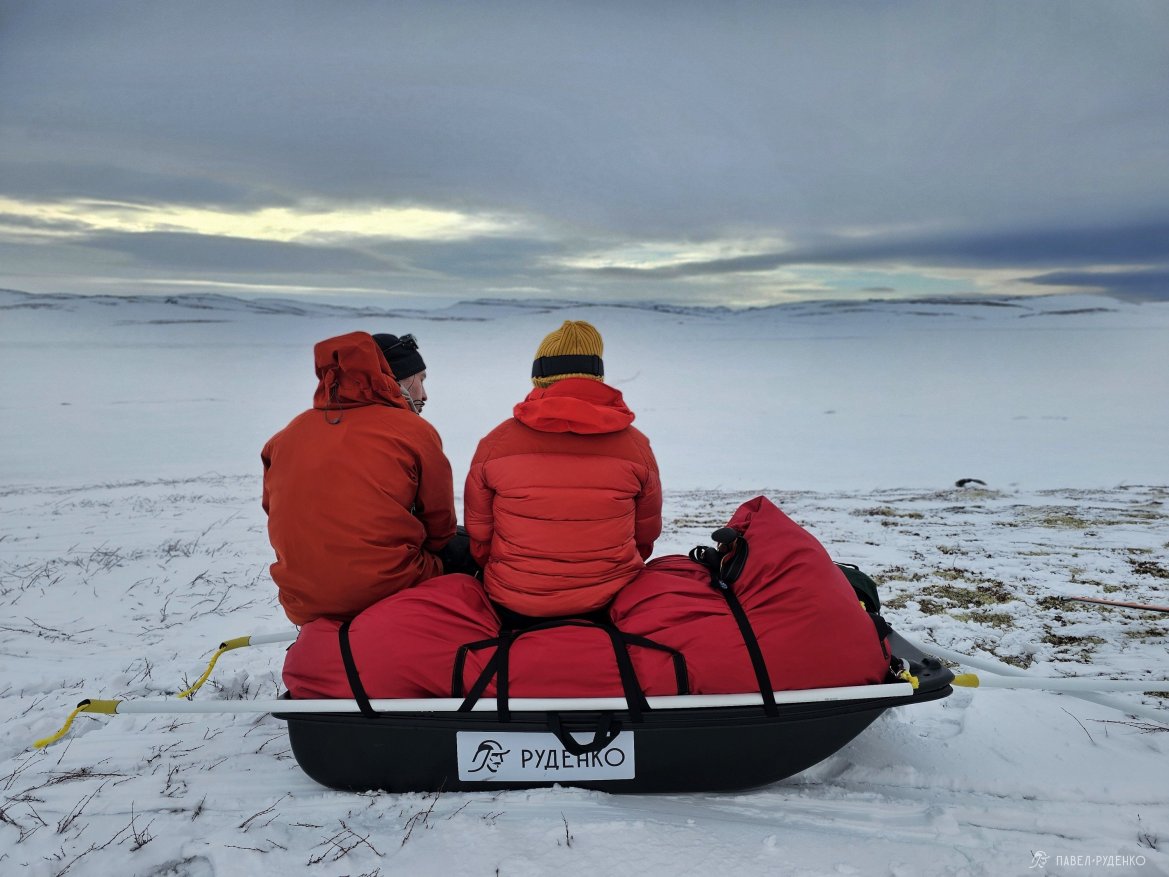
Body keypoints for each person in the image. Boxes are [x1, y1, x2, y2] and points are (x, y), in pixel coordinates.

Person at [464, 320, 662, 620]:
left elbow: (480, 538)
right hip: (610, 602)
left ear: (539, 378)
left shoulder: (496, 443)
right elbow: (645, 536)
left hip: (514, 602)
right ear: (598, 377)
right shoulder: (636, 446)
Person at [262, 330, 459, 625]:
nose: (425, 394)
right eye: (421, 379)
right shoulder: (413, 431)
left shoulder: (285, 436)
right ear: (398, 381)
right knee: (473, 552)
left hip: (301, 600)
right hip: (387, 589)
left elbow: (274, 509)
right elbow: (441, 529)